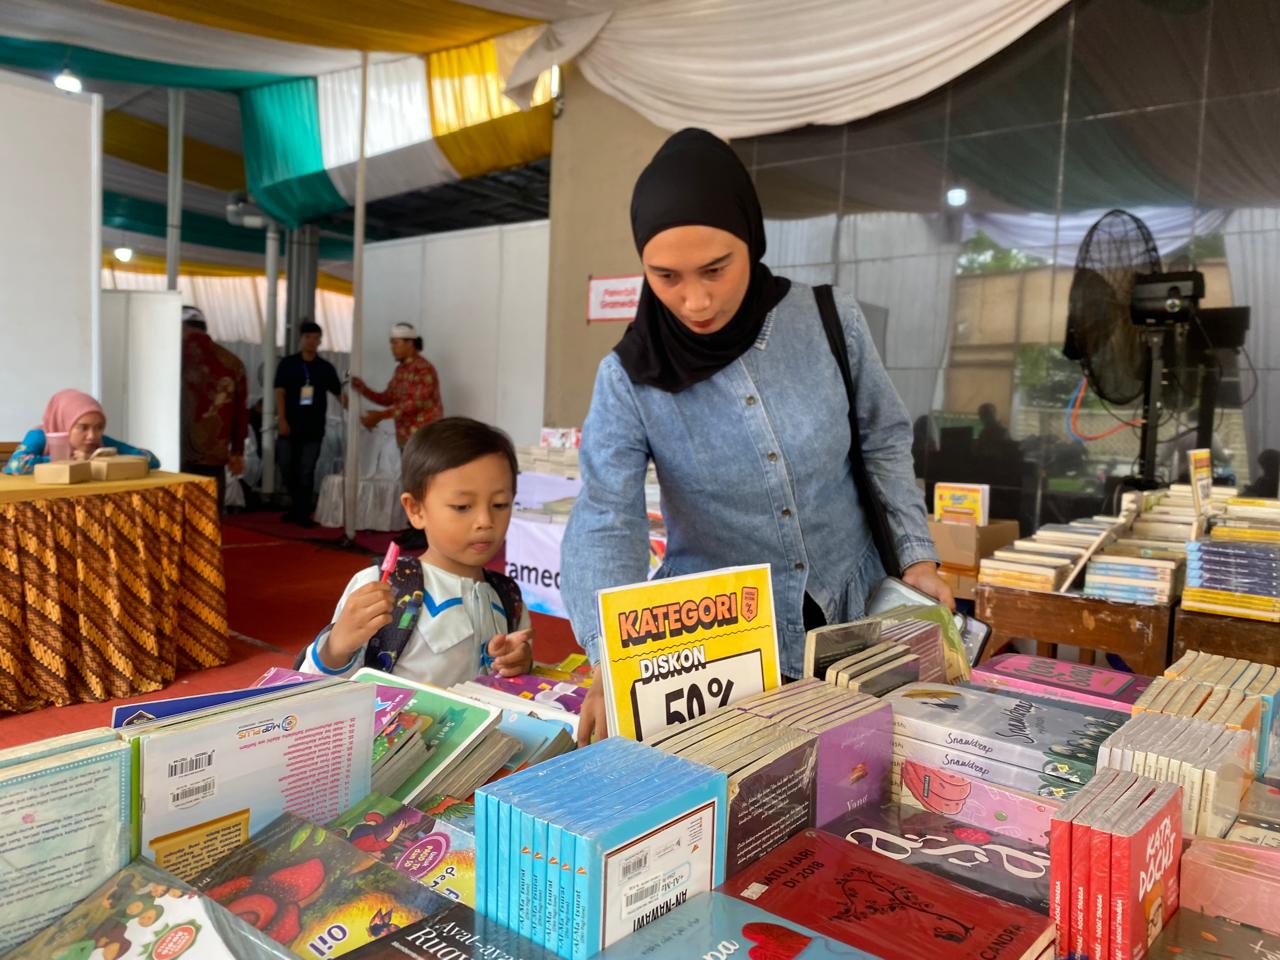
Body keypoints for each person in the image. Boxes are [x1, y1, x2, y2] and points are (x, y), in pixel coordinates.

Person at [561, 129, 952, 746]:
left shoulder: (829, 320)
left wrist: (917, 558)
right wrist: (610, 659)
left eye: (715, 269)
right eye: (666, 276)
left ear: (751, 237)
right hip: (721, 647)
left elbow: (882, 440)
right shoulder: (629, 376)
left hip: (855, 613)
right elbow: (607, 517)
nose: (695, 300)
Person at [299, 417, 534, 686]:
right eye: (462, 506)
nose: (485, 521)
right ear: (415, 510)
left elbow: (520, 680)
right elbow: (310, 687)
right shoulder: (385, 588)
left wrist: (521, 662)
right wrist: (336, 647)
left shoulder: (508, 597)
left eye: (500, 504)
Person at [274, 320, 343, 526]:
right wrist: (281, 419)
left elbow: (339, 394)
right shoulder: (288, 364)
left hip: (313, 428)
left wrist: (359, 410)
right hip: (289, 425)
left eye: (315, 338)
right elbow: (280, 392)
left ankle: (303, 512)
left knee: (306, 469)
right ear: (300, 339)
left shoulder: (325, 368)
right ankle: (296, 507)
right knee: (286, 466)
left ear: (320, 340)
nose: (312, 341)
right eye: (308, 337)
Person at [180, 306, 248, 510]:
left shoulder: (169, 358)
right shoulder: (233, 363)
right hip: (214, 455)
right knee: (208, 514)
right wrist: (237, 451)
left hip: (175, 453)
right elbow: (240, 413)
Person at [3, 389, 159, 475]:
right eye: (83, 427)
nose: (92, 436)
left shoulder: (100, 444)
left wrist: (101, 460)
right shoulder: (40, 436)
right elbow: (16, 465)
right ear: (64, 423)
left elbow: (151, 460)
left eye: (99, 427)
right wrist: (70, 461)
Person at [351, 323, 443, 449]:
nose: (392, 348)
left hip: (424, 438)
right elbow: (387, 399)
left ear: (409, 343)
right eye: (391, 343)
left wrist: (380, 416)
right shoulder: (400, 370)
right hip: (405, 438)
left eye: (396, 343)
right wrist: (363, 389)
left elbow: (415, 403)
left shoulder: (424, 369)